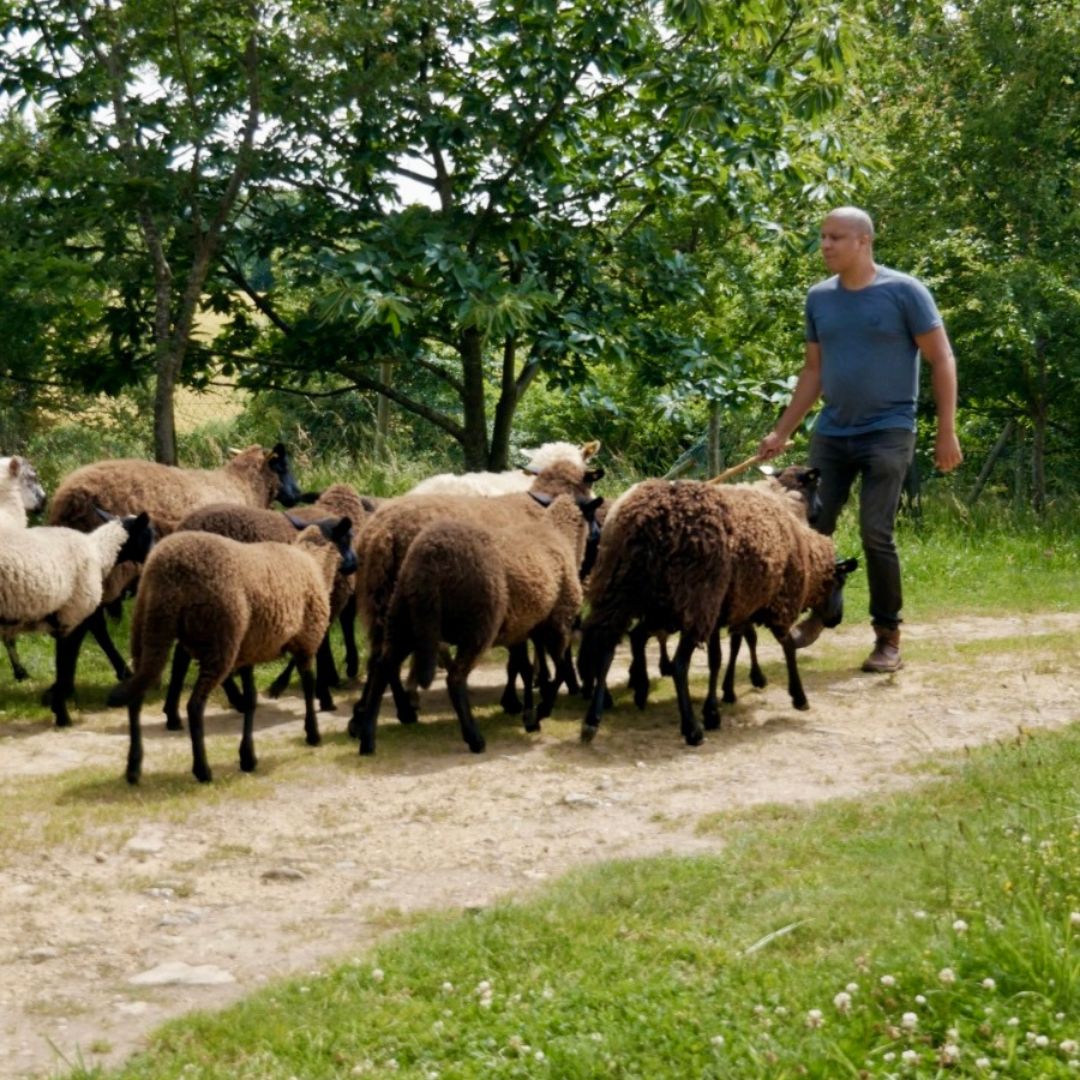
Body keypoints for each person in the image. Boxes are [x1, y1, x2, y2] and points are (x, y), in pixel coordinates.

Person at [757, 206, 963, 672]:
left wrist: (946, 431)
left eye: (836, 237)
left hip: (889, 430)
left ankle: (887, 637)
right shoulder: (819, 298)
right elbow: (814, 371)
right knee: (812, 530)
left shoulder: (905, 292)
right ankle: (820, 612)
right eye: (822, 236)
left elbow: (942, 358)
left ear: (863, 241)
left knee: (875, 532)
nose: (825, 244)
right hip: (832, 432)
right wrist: (781, 431)